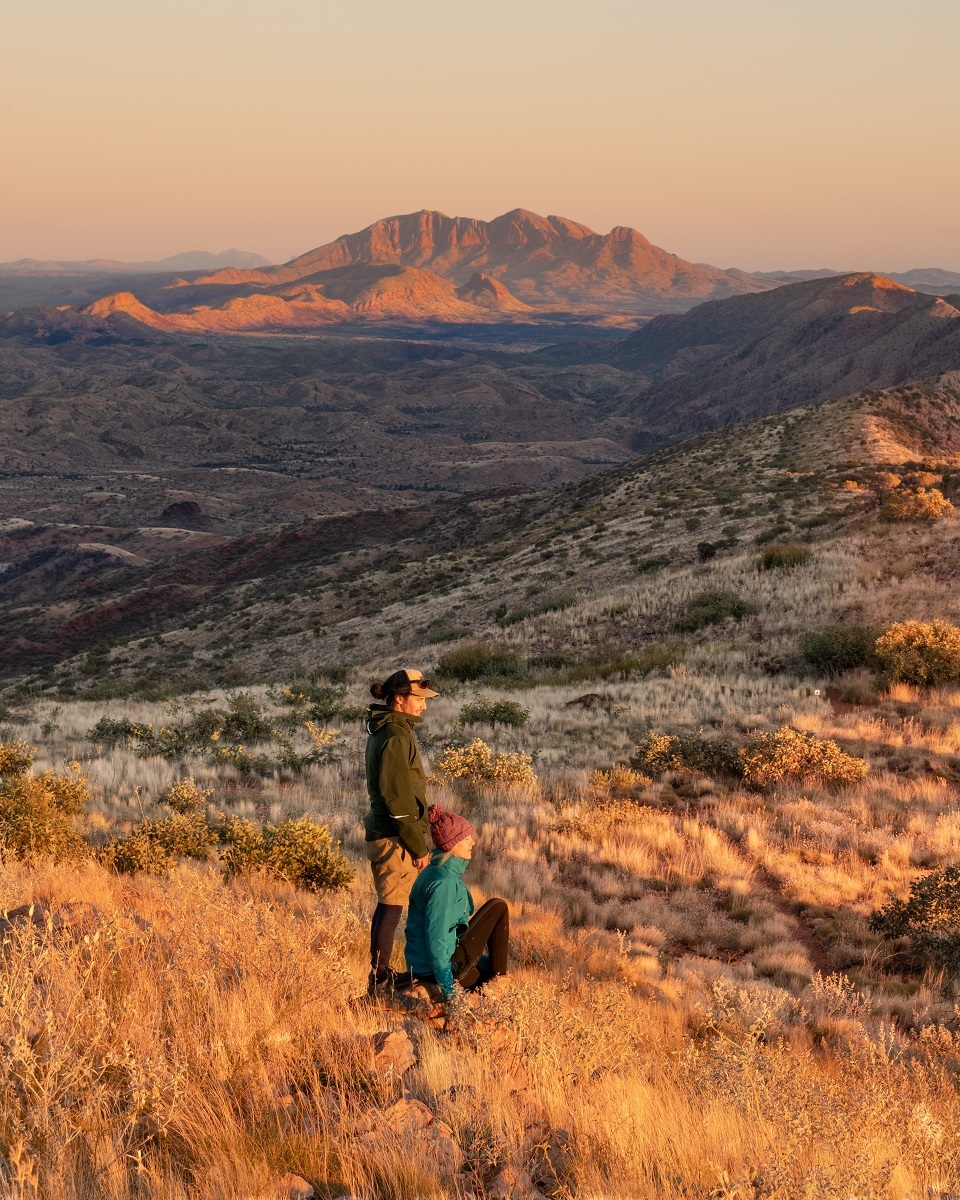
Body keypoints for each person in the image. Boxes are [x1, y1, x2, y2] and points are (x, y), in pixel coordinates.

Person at [364, 667, 439, 997]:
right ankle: (380, 981)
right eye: (419, 699)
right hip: (394, 837)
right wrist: (418, 846)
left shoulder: (388, 731)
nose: (424, 705)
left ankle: (380, 976)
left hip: (388, 833)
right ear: (399, 699)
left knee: (387, 905)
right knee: (393, 908)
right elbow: (398, 800)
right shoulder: (395, 736)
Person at [404, 805, 510, 1001]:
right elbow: (437, 939)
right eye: (466, 838)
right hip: (436, 969)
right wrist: (449, 989)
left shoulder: (435, 872)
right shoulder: (443, 883)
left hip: (424, 965)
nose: (473, 842)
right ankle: (499, 980)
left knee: (489, 970)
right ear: (452, 844)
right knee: (497, 907)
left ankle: (497, 980)